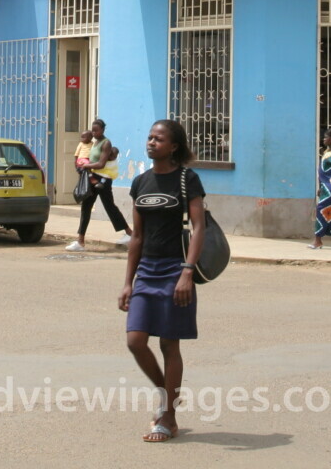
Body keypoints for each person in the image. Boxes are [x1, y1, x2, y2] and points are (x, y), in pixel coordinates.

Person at [120, 119, 204, 443]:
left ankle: (168, 416)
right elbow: (137, 236)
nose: (152, 142)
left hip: (174, 269)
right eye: (150, 137)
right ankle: (166, 392)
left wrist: (187, 272)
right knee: (135, 340)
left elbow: (199, 229)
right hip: (147, 271)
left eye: (159, 138)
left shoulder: (187, 180)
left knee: (169, 343)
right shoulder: (141, 182)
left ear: (174, 147)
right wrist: (128, 282)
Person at [67, 119, 130, 251]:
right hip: (93, 178)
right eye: (93, 130)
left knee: (109, 206)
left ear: (102, 130)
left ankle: (130, 234)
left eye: (96, 130)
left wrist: (86, 165)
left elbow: (101, 163)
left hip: (103, 180)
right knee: (86, 207)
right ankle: (80, 241)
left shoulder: (106, 143)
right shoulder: (94, 143)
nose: (94, 133)